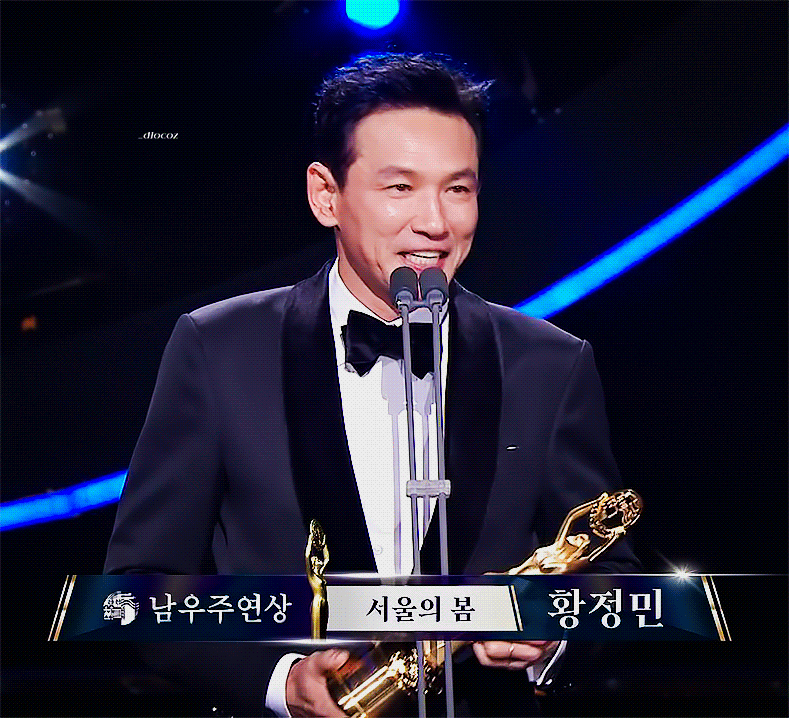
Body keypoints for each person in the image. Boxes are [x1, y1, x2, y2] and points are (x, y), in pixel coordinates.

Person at [105, 53, 639, 717]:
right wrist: (282, 681)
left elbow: (612, 579)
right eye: (400, 188)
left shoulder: (549, 363)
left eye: (457, 189)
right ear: (325, 196)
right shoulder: (218, 348)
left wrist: (553, 632)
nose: (435, 222)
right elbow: (138, 590)